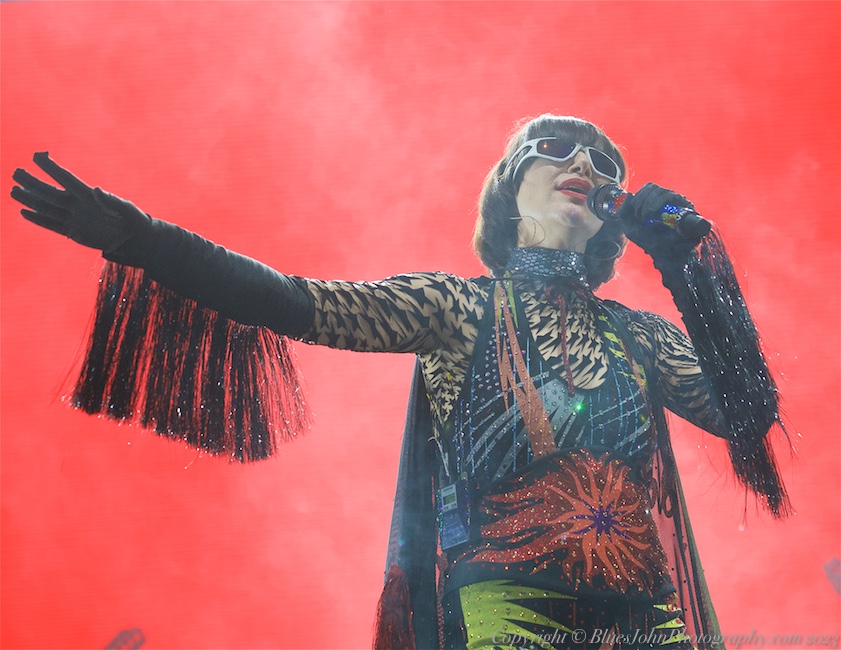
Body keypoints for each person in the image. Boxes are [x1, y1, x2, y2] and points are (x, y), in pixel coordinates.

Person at [12, 114, 789, 650]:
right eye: (556, 148)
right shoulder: (450, 306)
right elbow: (297, 302)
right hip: (506, 611)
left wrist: (687, 268)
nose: (585, 166)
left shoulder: (639, 335)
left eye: (606, 166)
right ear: (509, 187)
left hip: (646, 616)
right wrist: (150, 242)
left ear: (613, 216)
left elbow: (748, 410)